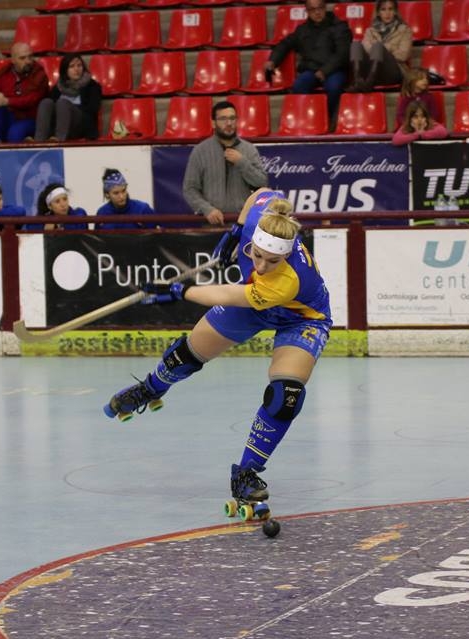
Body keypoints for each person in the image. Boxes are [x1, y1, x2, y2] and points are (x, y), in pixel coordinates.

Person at [103, 187, 332, 513]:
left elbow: (229, 296)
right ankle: (150, 389)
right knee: (189, 353)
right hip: (254, 300)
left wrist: (180, 291)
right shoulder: (260, 220)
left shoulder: (285, 278)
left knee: (287, 395)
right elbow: (261, 194)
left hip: (302, 317)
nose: (263, 265)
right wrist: (236, 230)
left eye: (273, 260)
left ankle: (246, 473)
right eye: (257, 255)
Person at [266, 0, 352, 129]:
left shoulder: (340, 27)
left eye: (320, 8)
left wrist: (325, 71)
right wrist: (273, 60)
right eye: (312, 9)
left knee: (333, 86)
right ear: (307, 11)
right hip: (311, 69)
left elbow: (342, 54)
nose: (317, 12)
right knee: (299, 85)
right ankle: (308, 121)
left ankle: (329, 119)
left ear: (325, 7)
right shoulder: (302, 30)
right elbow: (285, 44)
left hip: (334, 69)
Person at [182, 101, 268, 226]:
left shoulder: (249, 149)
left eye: (232, 118)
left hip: (242, 223)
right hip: (210, 224)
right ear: (213, 123)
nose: (229, 123)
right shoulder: (200, 151)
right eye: (223, 119)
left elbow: (262, 183)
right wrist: (207, 209)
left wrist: (242, 162)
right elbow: (190, 189)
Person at [0, 42, 49, 144]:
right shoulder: (5, 74)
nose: (28, 61)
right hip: (10, 116)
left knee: (15, 133)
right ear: (13, 60)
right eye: (22, 58)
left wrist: (7, 101)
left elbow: (32, 99)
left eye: (30, 57)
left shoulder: (39, 75)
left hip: (31, 119)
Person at [34, 53, 102, 143]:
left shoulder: (92, 86)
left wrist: (71, 109)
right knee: (46, 102)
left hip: (81, 126)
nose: (76, 69)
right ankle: (38, 141)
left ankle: (59, 140)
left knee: (63, 103)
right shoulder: (58, 88)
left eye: (79, 65)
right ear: (65, 70)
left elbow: (92, 110)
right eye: (72, 66)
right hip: (59, 125)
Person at [347, 0, 412, 92]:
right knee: (355, 44)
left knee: (378, 46)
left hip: (392, 72)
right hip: (370, 69)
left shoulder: (405, 30)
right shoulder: (370, 31)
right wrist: (380, 51)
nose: (387, 13)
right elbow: (366, 49)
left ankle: (369, 82)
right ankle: (357, 80)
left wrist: (383, 50)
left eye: (390, 9)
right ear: (378, 13)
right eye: (383, 9)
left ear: (395, 12)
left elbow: (403, 55)